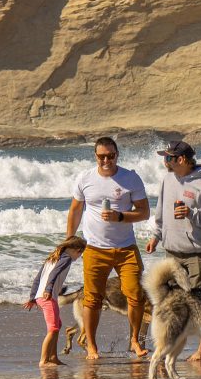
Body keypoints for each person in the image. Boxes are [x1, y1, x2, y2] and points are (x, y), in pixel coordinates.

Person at [66, 137, 150, 359]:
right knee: (92, 299)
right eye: (101, 156)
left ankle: (134, 340)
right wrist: (69, 241)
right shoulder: (85, 178)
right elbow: (75, 210)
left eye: (110, 156)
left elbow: (144, 212)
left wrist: (120, 216)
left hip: (126, 248)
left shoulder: (130, 179)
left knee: (136, 296)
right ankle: (91, 346)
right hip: (95, 248)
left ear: (117, 155)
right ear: (95, 156)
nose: (106, 160)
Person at [145, 140, 201, 362]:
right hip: (172, 250)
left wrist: (192, 213)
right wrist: (156, 236)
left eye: (168, 158)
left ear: (181, 160)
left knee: (199, 302)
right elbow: (161, 213)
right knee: (171, 302)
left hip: (197, 252)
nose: (165, 162)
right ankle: (170, 346)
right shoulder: (168, 179)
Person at [24, 236, 88, 366]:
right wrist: (48, 289)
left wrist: (32, 298)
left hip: (41, 296)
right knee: (53, 328)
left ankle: (53, 357)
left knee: (57, 325)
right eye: (81, 253)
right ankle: (43, 360)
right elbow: (54, 273)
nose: (80, 256)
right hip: (48, 296)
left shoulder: (52, 258)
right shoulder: (66, 258)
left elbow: (37, 279)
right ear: (77, 250)